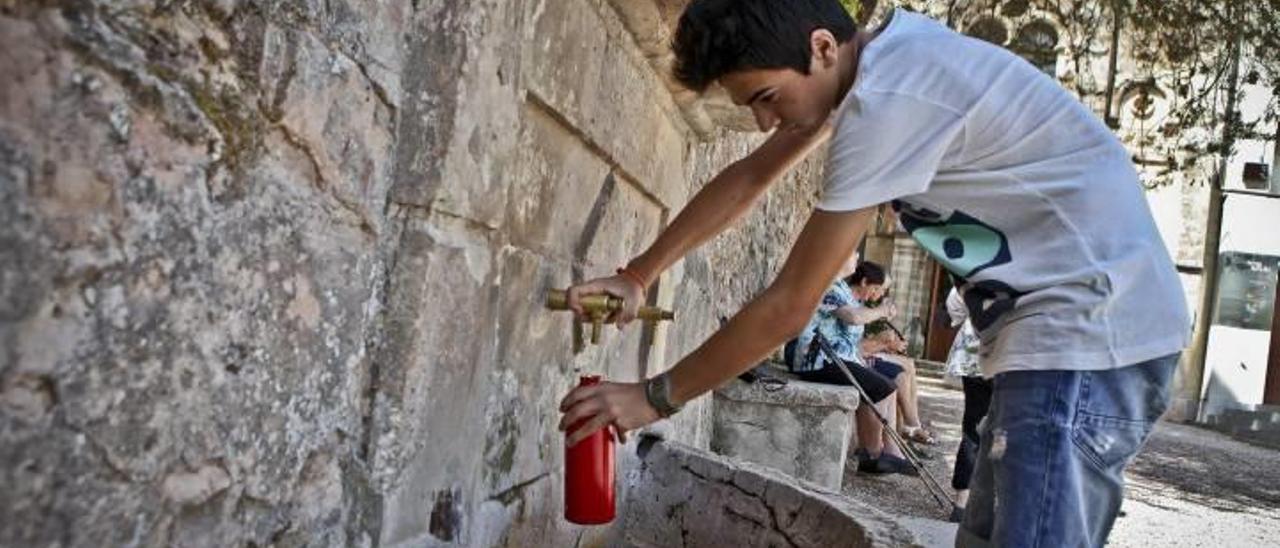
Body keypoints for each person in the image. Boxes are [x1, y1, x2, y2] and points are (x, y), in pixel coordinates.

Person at [557, 2, 1187, 546]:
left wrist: (651, 396)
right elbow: (751, 177)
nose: (762, 122)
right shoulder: (880, 66)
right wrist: (638, 274)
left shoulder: (888, 103)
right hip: (1064, 337)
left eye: (766, 99)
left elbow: (788, 305)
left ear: (822, 46)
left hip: (1090, 336)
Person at [787, 253, 915, 475]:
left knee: (883, 384)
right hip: (814, 359)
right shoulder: (831, 287)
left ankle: (883, 452)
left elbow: (853, 345)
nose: (856, 257)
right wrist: (882, 311)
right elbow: (852, 318)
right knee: (882, 388)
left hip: (832, 359)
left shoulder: (848, 295)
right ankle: (875, 454)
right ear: (864, 282)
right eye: (852, 254)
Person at [943, 287, 989, 524]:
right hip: (1010, 353)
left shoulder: (976, 265)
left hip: (973, 352)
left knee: (973, 426)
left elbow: (955, 307)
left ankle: (963, 502)